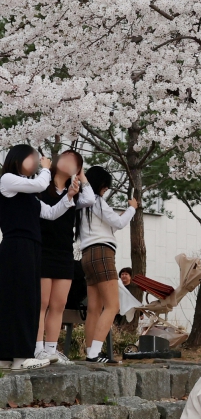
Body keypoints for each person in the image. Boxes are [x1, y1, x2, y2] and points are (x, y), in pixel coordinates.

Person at [0, 145, 79, 370]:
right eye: (32, 158)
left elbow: (51, 213)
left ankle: (8, 357)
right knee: (20, 300)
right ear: (17, 159)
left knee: (24, 299)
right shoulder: (7, 180)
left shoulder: (30, 194)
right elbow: (41, 184)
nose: (36, 163)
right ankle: (19, 356)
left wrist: (69, 196)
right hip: (17, 245)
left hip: (31, 248)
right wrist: (46, 169)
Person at [37, 150, 97, 365]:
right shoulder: (41, 185)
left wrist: (82, 177)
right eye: (66, 157)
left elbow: (90, 199)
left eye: (74, 162)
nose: (68, 162)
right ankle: (37, 349)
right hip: (42, 250)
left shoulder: (76, 193)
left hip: (64, 253)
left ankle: (51, 350)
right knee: (41, 303)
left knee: (58, 305)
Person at [77, 165, 137, 363]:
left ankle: (90, 352)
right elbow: (119, 223)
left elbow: (110, 225)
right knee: (113, 305)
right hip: (103, 253)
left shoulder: (83, 204)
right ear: (99, 183)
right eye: (105, 185)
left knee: (94, 308)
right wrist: (132, 208)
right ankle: (95, 353)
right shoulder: (96, 200)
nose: (107, 189)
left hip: (87, 255)